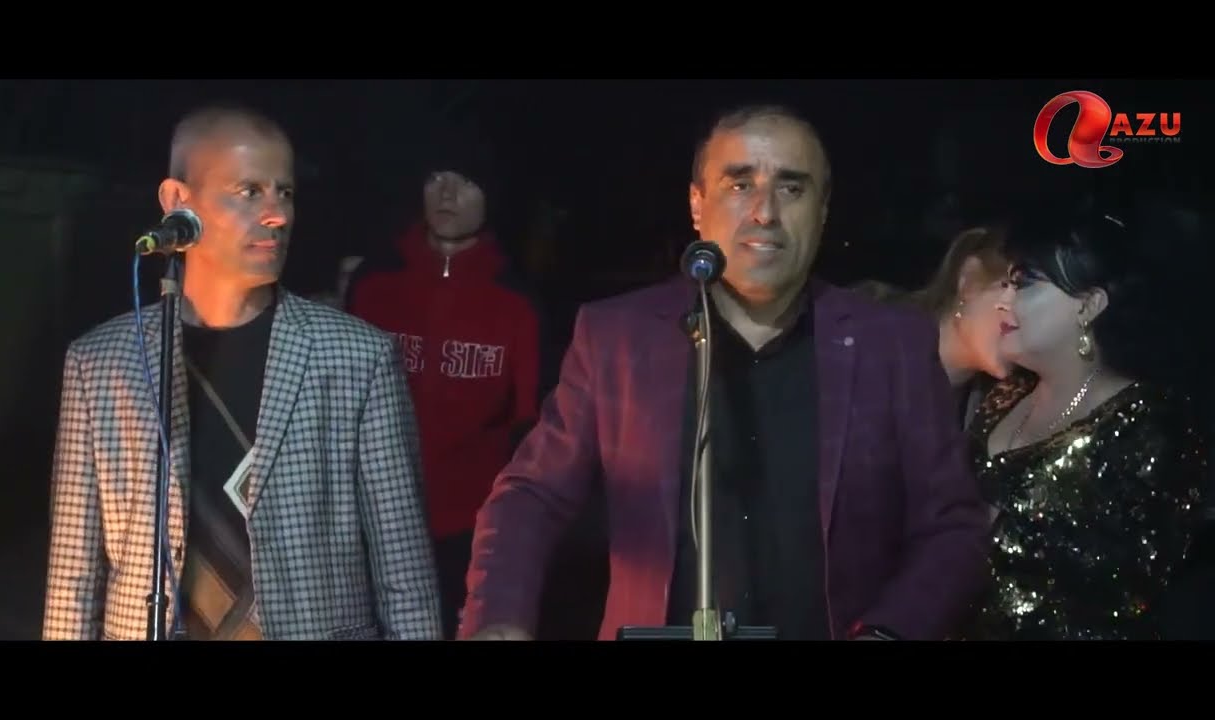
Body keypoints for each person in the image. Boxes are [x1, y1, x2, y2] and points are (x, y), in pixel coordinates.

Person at [460, 104, 990, 641]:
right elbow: (531, 495)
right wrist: (498, 620)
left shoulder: (891, 346)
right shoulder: (617, 338)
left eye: (792, 188)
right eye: (740, 185)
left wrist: (888, 633)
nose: (765, 212)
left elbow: (952, 526)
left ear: (823, 210)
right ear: (697, 204)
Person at [42, 104, 442, 641]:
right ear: (177, 202)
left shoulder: (356, 358)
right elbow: (73, 575)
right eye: (249, 191)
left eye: (286, 192)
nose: (277, 214)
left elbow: (404, 567)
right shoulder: (100, 363)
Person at [961, 203, 1211, 640]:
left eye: (1025, 283)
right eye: (1008, 282)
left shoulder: (1147, 424)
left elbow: (1125, 588)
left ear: (1090, 305)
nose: (1004, 301)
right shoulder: (1003, 396)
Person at [347, 128, 541, 640]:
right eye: (437, 176)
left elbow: (531, 431)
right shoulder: (374, 284)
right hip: (374, 524)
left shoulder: (518, 302)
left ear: (491, 196)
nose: (447, 193)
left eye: (466, 181)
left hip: (472, 534)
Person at [853, 226, 1015, 424]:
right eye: (1014, 287)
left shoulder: (987, 412)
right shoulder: (865, 331)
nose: (1023, 313)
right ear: (969, 282)